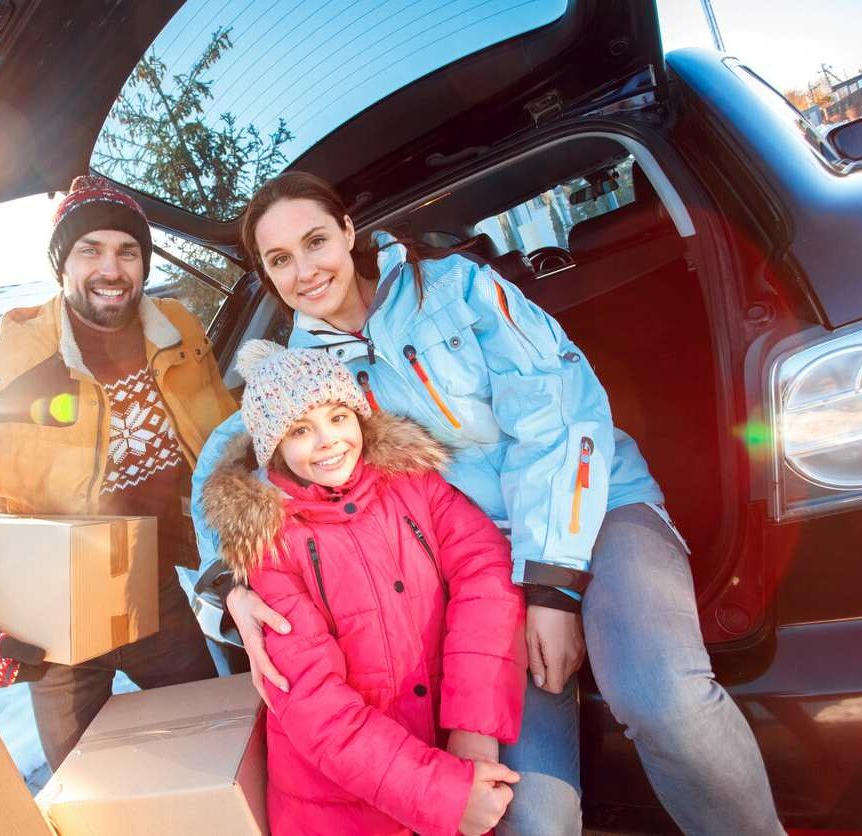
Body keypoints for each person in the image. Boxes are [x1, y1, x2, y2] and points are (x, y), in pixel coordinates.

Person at [191, 172, 783, 834]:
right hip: (482, 577)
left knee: (661, 695)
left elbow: (558, 411)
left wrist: (552, 586)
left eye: (315, 241)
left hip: (595, 508)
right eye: (280, 260)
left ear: (348, 232)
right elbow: (227, 465)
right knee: (528, 816)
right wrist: (229, 585)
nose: (304, 270)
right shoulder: (300, 374)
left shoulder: (454, 289)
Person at [0, 175, 237, 770]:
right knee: (80, 780)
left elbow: (227, 437)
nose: (111, 269)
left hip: (154, 585)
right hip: (49, 612)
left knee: (219, 745)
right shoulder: (6, 369)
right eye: (89, 250)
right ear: (61, 266)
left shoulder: (180, 333)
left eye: (127, 251)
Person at [202, 338, 525, 836]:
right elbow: (315, 705)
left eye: (338, 416)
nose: (328, 440)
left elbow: (484, 573)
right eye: (300, 430)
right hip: (341, 807)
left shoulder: (414, 484)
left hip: (449, 757)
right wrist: (441, 791)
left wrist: (474, 727)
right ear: (274, 449)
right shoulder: (269, 546)